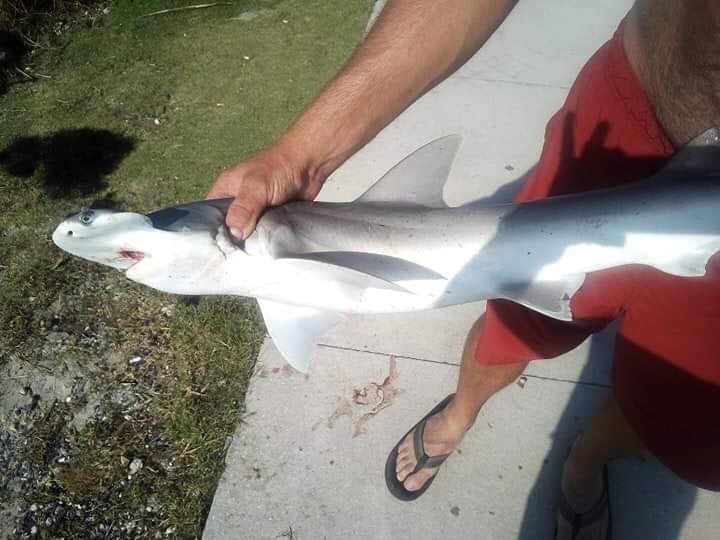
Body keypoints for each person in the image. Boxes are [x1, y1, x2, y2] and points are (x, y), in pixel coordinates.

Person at [207, 1, 720, 538]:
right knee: (514, 328)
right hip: (632, 107)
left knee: (686, 423)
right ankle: (458, 415)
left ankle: (585, 461)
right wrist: (301, 156)